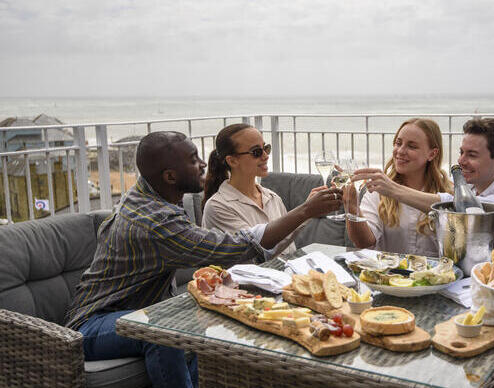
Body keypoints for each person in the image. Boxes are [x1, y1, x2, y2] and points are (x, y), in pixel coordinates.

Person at [64, 131, 342, 388]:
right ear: (170, 176)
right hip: (90, 325)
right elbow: (236, 247)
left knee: (203, 319)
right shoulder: (155, 222)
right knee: (162, 332)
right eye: (193, 160)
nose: (203, 164)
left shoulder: (151, 197)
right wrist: (305, 211)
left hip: (135, 310)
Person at [352, 118, 494, 270]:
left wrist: (393, 189)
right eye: (461, 152)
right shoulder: (467, 189)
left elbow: (472, 211)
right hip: (479, 290)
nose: (461, 161)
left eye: (471, 155)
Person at [343, 118, 452, 257]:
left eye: (412, 146)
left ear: (432, 154)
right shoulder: (378, 190)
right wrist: (352, 207)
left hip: (435, 277)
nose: (400, 151)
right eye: (398, 143)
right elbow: (364, 242)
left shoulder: (448, 194)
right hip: (389, 276)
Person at [202, 123, 296, 254]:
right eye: (256, 152)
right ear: (232, 161)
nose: (266, 156)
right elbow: (257, 253)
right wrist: (306, 212)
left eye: (266, 148)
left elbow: (290, 252)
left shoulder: (273, 198)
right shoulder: (218, 207)